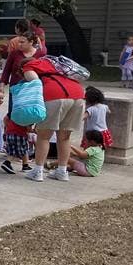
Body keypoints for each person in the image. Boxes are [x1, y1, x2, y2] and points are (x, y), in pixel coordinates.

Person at [20, 54, 86, 182]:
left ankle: (38, 171)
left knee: (44, 136)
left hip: (55, 95)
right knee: (65, 137)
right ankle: (62, 171)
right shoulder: (52, 63)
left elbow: (35, 83)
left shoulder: (28, 66)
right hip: (77, 94)